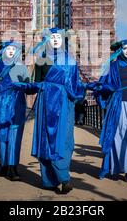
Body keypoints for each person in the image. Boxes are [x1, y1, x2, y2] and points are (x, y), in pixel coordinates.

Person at [25, 27, 85, 194]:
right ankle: (53, 180)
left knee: (64, 139)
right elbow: (35, 82)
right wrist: (25, 86)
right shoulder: (41, 59)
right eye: (52, 37)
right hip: (46, 102)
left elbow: (76, 83)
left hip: (65, 102)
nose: (56, 39)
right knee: (46, 138)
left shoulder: (71, 60)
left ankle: (62, 176)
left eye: (59, 37)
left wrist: (87, 88)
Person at [88, 39, 127, 186]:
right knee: (121, 137)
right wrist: (99, 88)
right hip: (120, 104)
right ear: (120, 50)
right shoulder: (114, 65)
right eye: (125, 48)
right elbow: (106, 83)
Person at [0, 40, 30, 181]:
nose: (11, 51)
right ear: (3, 50)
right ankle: (5, 165)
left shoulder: (21, 67)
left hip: (17, 103)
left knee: (14, 136)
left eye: (14, 49)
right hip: (1, 105)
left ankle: (12, 167)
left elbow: (28, 87)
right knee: (2, 136)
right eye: (8, 48)